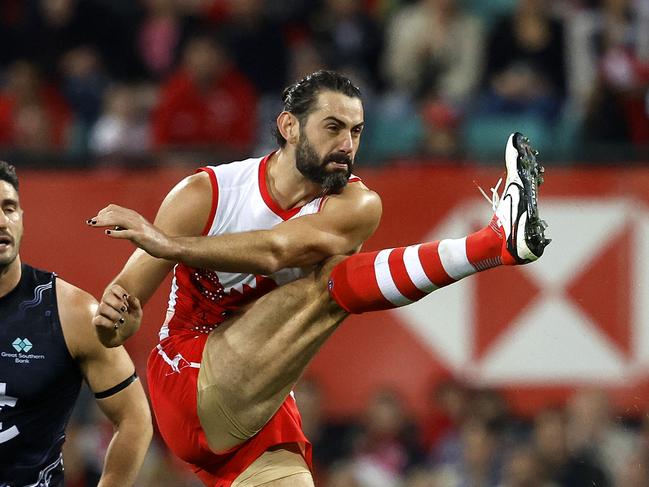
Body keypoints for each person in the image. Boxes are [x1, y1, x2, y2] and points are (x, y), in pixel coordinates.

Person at [87, 70, 550, 486]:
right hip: (188, 377)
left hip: (260, 406)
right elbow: (121, 313)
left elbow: (276, 250)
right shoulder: (204, 192)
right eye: (333, 128)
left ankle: (499, 241)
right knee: (329, 280)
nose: (347, 145)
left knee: (327, 277)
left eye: (356, 131)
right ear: (289, 127)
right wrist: (117, 320)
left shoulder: (357, 205)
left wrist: (171, 244)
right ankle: (494, 244)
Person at [0, 160, 152, 486]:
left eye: (9, 208)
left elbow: (134, 417)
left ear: (22, 219)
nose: (2, 221)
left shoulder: (71, 312)